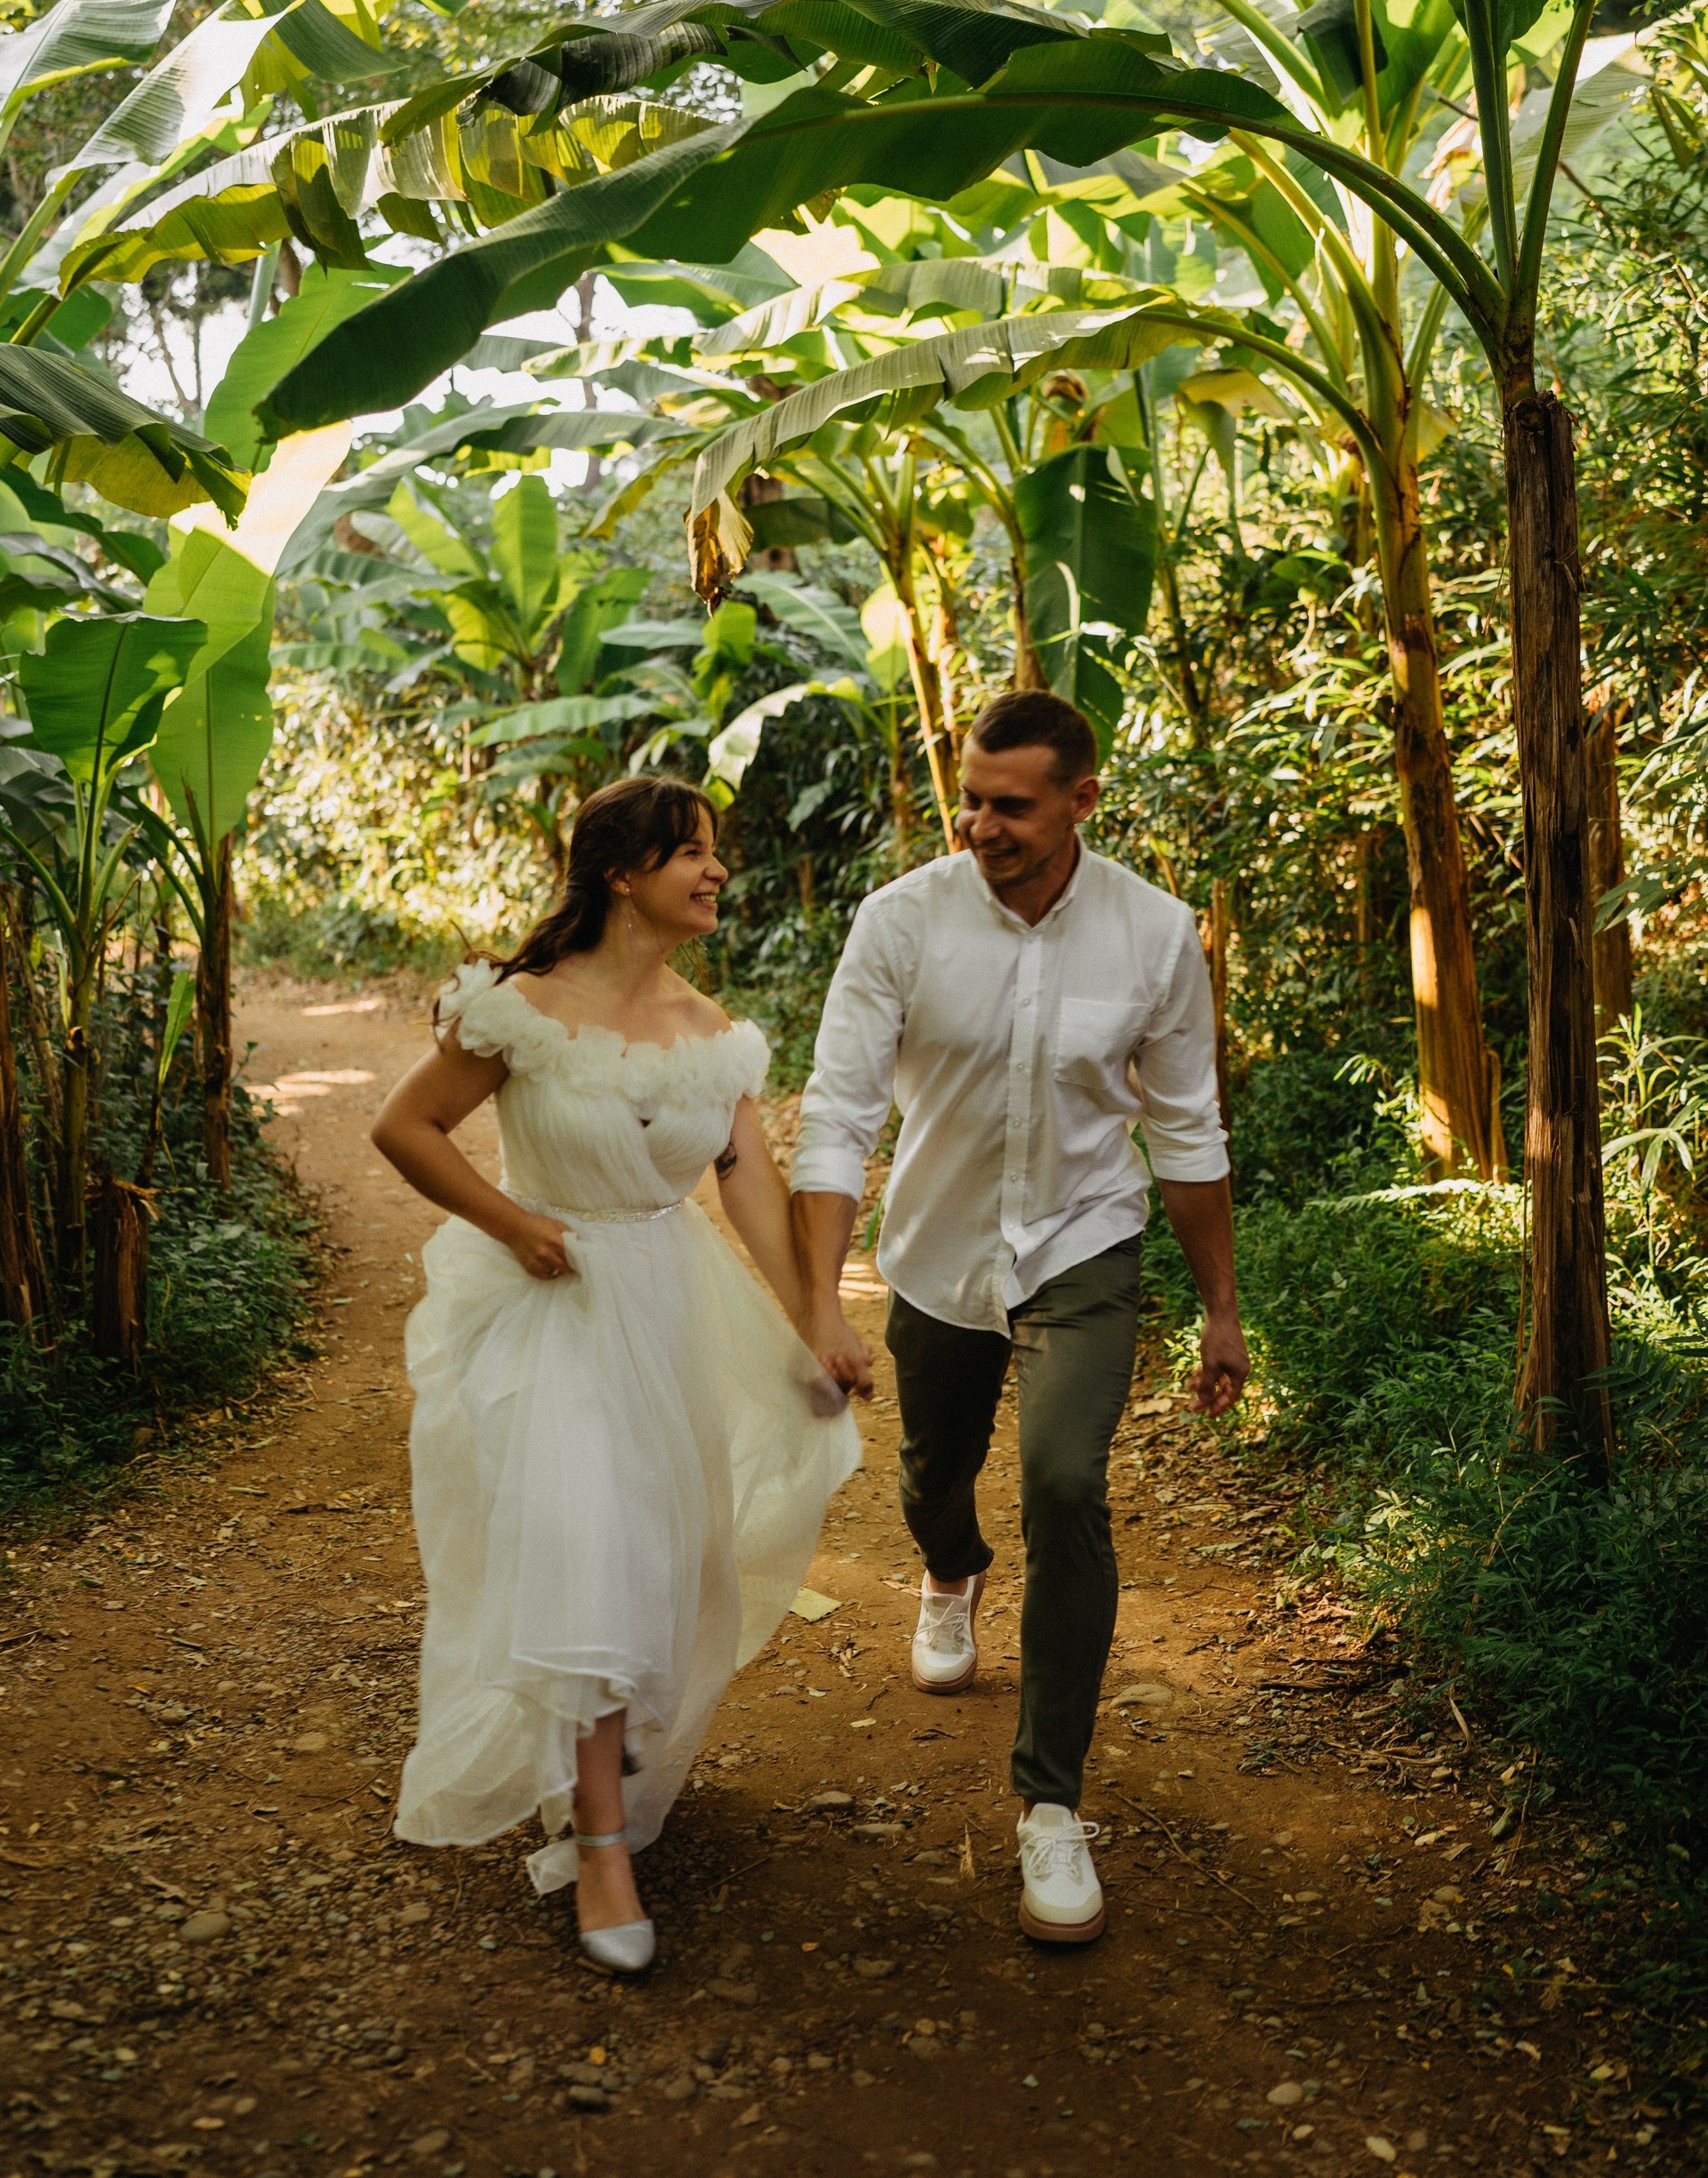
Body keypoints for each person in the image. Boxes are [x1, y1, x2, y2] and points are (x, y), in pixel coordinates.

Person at [371, 775, 862, 1974]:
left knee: (667, 1556)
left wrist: (815, 1317)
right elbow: (405, 1128)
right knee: (587, 1545)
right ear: (619, 872)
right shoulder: (517, 1011)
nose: (714, 872)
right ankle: (599, 1846)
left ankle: (609, 1760)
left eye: (714, 853)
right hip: (553, 1304)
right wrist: (512, 1224)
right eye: (688, 853)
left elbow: (746, 1182)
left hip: (666, 1297)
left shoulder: (712, 1031)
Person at [790, 689, 1248, 1945]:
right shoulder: (901, 922)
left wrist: (1220, 1310)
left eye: (1010, 804)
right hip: (936, 1258)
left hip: (1083, 1245)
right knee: (933, 1478)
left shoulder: (1154, 937)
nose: (979, 824)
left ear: (1082, 801)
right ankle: (951, 1570)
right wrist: (819, 1299)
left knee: (1063, 1483)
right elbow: (837, 1115)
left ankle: (1050, 1804)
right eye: (969, 799)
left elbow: (1187, 1130)